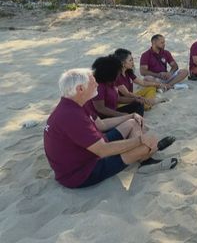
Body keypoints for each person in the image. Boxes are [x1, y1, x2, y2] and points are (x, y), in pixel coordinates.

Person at [43, 68, 177, 189]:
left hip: (89, 151)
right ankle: (146, 155)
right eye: (93, 82)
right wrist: (141, 140)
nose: (96, 84)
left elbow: (101, 125)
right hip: (81, 173)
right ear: (80, 89)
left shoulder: (75, 103)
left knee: (132, 122)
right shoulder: (71, 115)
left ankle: (144, 157)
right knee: (144, 144)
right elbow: (103, 151)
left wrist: (130, 115)